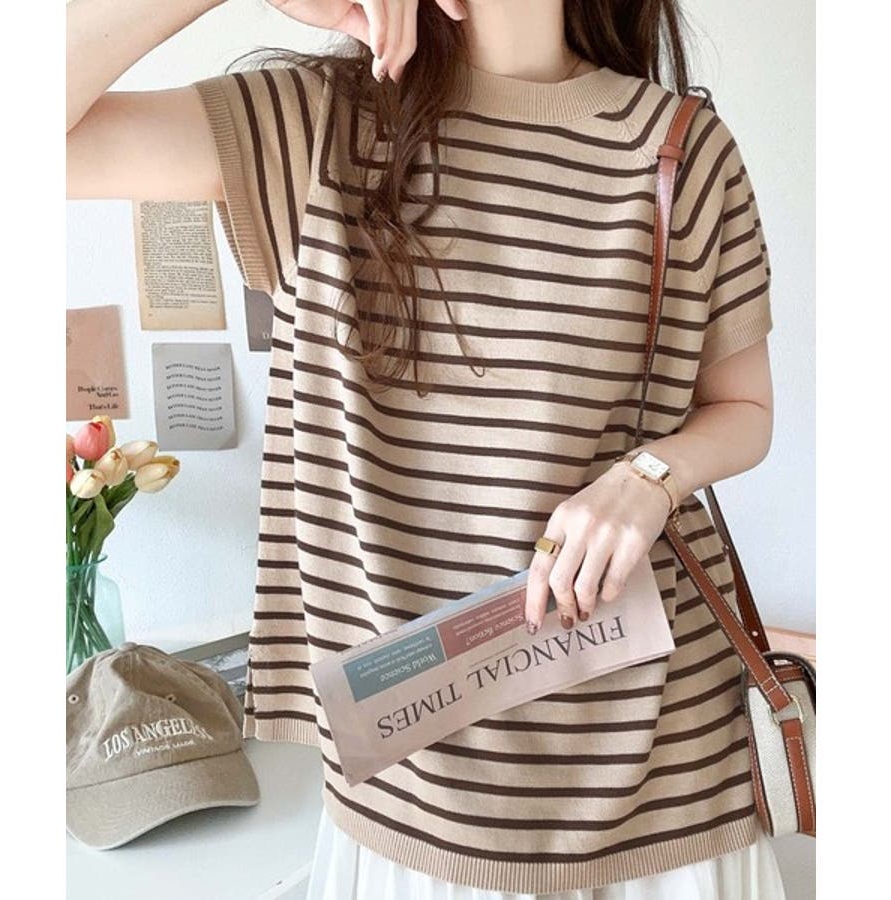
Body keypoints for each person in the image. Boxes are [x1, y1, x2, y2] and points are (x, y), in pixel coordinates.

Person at [67, 1, 789, 897]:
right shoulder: (318, 126)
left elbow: (744, 408)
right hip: (412, 785)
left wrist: (649, 477)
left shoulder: (681, 147)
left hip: (664, 772)